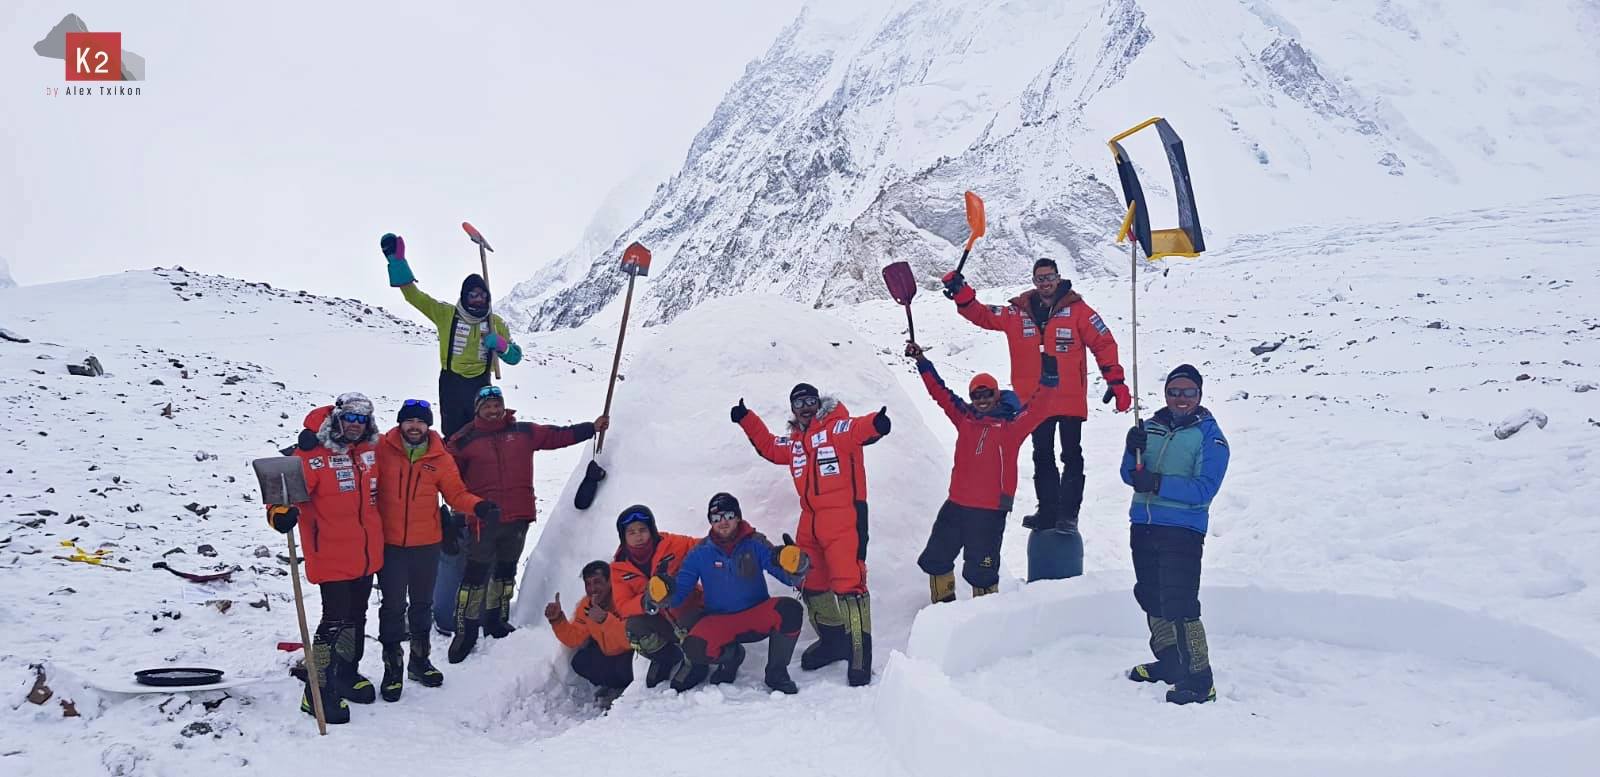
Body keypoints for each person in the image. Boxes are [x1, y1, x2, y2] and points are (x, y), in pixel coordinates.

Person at [942, 258, 1130, 534]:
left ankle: (1068, 515)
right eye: (1039, 279)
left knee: (1071, 455)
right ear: (1033, 282)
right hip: (1034, 401)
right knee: (1042, 455)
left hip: (1068, 398)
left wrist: (1116, 381)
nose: (1045, 283)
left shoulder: (1079, 310)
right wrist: (962, 293)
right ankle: (1048, 512)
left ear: (1058, 277)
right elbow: (981, 314)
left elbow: (1103, 343)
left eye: (1049, 277)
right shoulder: (1016, 313)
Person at [732, 384, 889, 686]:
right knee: (810, 580)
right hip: (811, 521)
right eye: (798, 403)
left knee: (849, 585)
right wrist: (746, 418)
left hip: (845, 519)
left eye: (810, 401)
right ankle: (833, 641)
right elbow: (768, 446)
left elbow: (858, 430)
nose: (805, 407)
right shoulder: (795, 443)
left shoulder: (835, 428)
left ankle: (859, 655)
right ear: (792, 409)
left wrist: (877, 424)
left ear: (819, 403)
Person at [444, 385, 609, 662]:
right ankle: (466, 631)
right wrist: (458, 511)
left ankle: (497, 621)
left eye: (497, 404)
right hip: (483, 520)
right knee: (474, 578)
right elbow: (448, 479)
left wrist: (590, 428)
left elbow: (557, 436)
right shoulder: (464, 441)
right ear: (477, 410)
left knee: (506, 574)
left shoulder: (523, 432)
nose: (494, 410)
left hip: (518, 516)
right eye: (487, 406)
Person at [267, 393, 384, 724]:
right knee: (334, 621)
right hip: (330, 553)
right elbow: (282, 492)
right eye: (349, 418)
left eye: (361, 419)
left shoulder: (369, 452)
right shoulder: (313, 454)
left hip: (365, 554)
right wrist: (279, 514)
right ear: (337, 418)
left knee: (357, 617)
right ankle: (317, 690)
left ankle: (346, 674)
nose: (354, 425)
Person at [373, 398, 498, 701]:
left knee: (421, 605)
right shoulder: (380, 450)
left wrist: (477, 505)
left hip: (426, 545)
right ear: (400, 423)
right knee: (392, 607)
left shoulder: (439, 457)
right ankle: (393, 668)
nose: (415, 427)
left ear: (427, 425)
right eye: (410, 421)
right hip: (389, 545)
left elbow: (455, 494)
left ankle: (419, 661)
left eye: (421, 422)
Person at [1120, 364, 1230, 705]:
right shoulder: (1150, 427)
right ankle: (1170, 661)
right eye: (1174, 392)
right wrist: (1131, 448)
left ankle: (1200, 679)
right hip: (1144, 524)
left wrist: (1157, 484)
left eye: (1188, 393)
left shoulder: (1211, 438)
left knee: (1181, 603)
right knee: (1151, 595)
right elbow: (1129, 474)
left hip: (1182, 530)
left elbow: (1204, 489)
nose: (1180, 399)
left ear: (1199, 395)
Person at [905, 343, 1045, 601]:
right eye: (976, 396)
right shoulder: (964, 417)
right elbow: (940, 393)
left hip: (990, 511)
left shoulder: (1011, 425)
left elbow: (1037, 409)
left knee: (982, 571)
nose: (981, 401)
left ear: (996, 395)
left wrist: (1048, 381)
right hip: (956, 504)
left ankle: (983, 622)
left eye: (987, 394)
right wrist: (922, 361)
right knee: (937, 558)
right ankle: (943, 613)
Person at [643, 493, 808, 694]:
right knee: (693, 648)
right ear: (710, 522)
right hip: (720, 621)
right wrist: (661, 593)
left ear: (738, 517)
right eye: (716, 518)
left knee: (789, 610)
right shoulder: (699, 552)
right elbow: (678, 594)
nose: (722, 522)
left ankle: (776, 673)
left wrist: (797, 565)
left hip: (756, 615)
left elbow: (788, 578)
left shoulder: (756, 542)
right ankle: (732, 657)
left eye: (728, 516)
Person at [380, 232, 522, 438]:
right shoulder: (446, 314)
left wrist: (503, 347)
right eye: (472, 295)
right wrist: (398, 262)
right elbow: (414, 296)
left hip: (481, 383)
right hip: (451, 383)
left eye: (482, 295)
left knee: (484, 434)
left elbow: (515, 358)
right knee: (454, 435)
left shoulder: (495, 322)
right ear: (464, 296)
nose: (478, 299)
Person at [612, 505, 705, 688]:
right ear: (623, 537)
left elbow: (707, 546)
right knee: (634, 627)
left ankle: (696, 663)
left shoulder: (673, 544)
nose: (638, 536)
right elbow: (622, 605)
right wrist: (645, 602)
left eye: (642, 530)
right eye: (631, 532)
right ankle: (666, 658)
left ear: (651, 530)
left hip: (689, 611)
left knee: (689, 624)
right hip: (661, 621)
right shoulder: (619, 568)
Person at [545, 560, 634, 707]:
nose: (592, 588)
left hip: (631, 654)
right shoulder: (586, 606)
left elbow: (630, 637)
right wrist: (557, 620)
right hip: (608, 654)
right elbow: (574, 638)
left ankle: (632, 687)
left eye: (597, 582)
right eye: (588, 584)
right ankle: (614, 686)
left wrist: (605, 620)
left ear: (610, 582)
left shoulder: (623, 599)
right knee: (580, 661)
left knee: (625, 667)